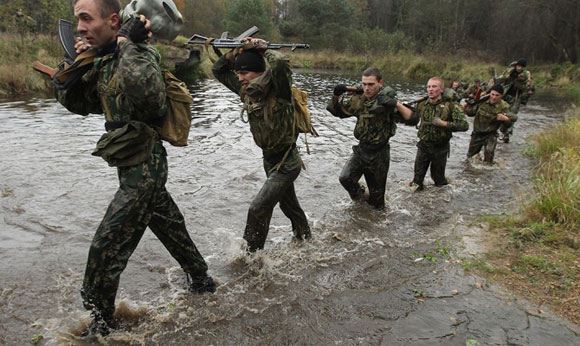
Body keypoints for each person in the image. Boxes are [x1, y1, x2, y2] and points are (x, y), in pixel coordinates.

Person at [56, 0, 215, 336]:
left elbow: (150, 101)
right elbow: (80, 104)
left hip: (144, 167)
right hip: (130, 165)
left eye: (86, 19)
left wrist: (130, 45)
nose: (80, 27)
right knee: (170, 225)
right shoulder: (105, 60)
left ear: (114, 20)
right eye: (78, 20)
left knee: (105, 247)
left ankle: (101, 330)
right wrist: (73, 65)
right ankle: (202, 281)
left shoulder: (142, 55)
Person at [212, 38, 311, 253]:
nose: (240, 78)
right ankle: (306, 239)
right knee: (288, 205)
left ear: (259, 72)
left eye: (245, 73)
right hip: (269, 160)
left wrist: (262, 49)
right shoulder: (247, 92)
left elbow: (281, 64)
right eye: (238, 73)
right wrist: (235, 52)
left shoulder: (280, 90)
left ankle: (251, 258)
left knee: (258, 208)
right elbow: (218, 70)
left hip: (287, 162)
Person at [326, 68, 415, 209]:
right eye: (364, 84)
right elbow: (338, 112)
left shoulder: (386, 100)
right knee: (345, 178)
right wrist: (336, 95)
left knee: (377, 202)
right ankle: (361, 206)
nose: (367, 88)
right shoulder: (359, 100)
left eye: (371, 84)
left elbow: (412, 118)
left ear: (380, 83)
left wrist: (396, 104)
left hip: (379, 154)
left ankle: (375, 216)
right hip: (361, 150)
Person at [409, 77, 468, 191]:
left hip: (440, 148)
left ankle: (442, 203)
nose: (430, 89)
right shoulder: (421, 104)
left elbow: (464, 125)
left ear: (441, 90)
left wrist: (444, 124)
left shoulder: (451, 106)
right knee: (417, 181)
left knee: (438, 181)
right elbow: (411, 119)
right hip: (423, 146)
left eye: (434, 86)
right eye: (428, 87)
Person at [466, 84, 517, 163]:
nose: (494, 97)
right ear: (490, 93)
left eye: (497, 95)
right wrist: (469, 104)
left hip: (491, 134)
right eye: (492, 94)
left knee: (489, 156)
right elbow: (470, 113)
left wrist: (506, 119)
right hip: (477, 133)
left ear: (501, 96)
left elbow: (512, 119)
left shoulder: (504, 106)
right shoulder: (482, 101)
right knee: (469, 159)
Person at [495, 58, 534, 142]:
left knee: (511, 116)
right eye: (518, 66)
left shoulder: (526, 75)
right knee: (501, 112)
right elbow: (501, 79)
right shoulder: (510, 71)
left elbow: (529, 87)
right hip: (505, 96)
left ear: (523, 68)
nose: (519, 68)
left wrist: (520, 82)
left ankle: (507, 134)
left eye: (521, 67)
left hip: (516, 98)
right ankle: (499, 131)